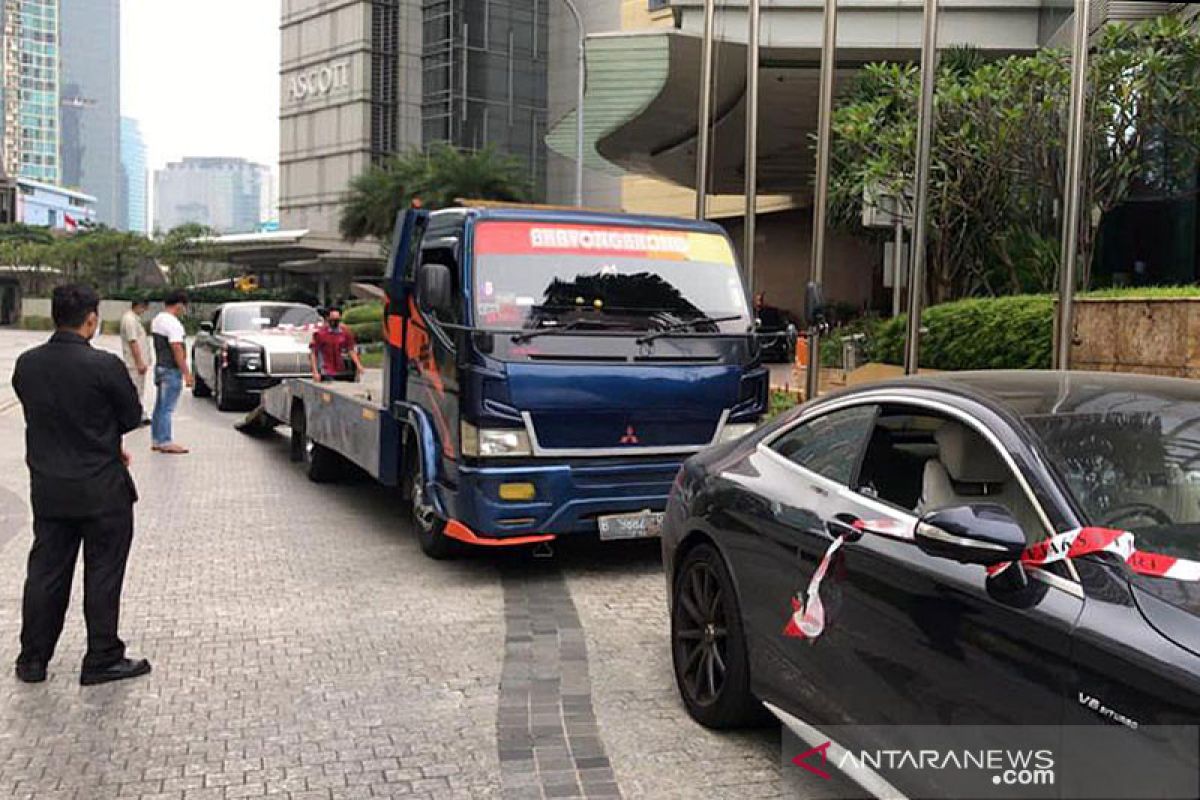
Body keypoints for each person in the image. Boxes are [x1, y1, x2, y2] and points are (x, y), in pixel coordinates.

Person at [12, 284, 151, 686]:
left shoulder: (27, 365)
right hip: (102, 490)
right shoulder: (103, 366)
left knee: (46, 573)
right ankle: (102, 657)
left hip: (50, 489)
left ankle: (33, 660)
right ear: (92, 319)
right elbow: (129, 417)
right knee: (103, 572)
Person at [150, 291, 193, 454]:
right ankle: (166, 441)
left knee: (159, 406)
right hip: (170, 369)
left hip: (160, 367)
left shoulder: (158, 319)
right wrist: (186, 373)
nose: (184, 310)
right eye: (184, 306)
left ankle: (156, 439)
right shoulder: (173, 323)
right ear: (179, 304)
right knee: (168, 407)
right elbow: (176, 348)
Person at [309, 307, 364, 382]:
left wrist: (358, 365)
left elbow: (351, 350)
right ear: (328, 318)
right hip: (326, 371)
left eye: (337, 320)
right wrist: (315, 372)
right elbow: (313, 354)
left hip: (342, 371)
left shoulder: (345, 332)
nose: (335, 322)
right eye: (332, 319)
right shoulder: (320, 334)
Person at [120, 300, 152, 426]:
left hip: (138, 363)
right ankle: (133, 417)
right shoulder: (130, 320)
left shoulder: (134, 319)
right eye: (144, 308)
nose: (144, 311)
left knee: (139, 391)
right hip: (134, 363)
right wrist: (139, 362)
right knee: (135, 391)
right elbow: (133, 341)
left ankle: (139, 414)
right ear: (138, 306)